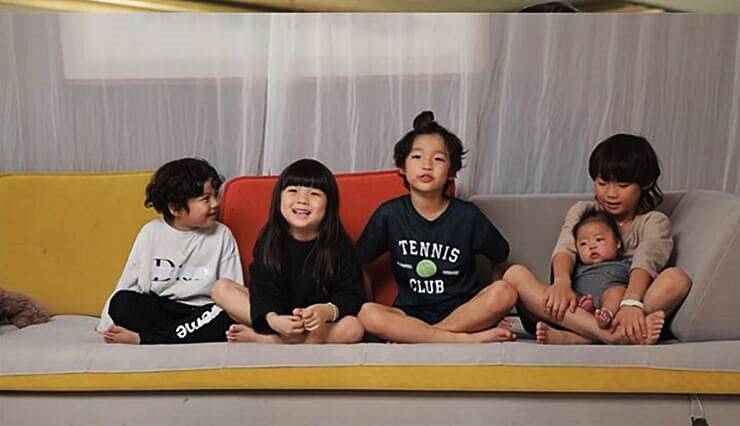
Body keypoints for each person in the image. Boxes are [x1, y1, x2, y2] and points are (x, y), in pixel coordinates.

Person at [503, 134, 692, 345]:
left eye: (622, 185)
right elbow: (565, 248)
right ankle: (611, 335)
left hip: (624, 306)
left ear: (645, 183)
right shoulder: (583, 211)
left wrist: (631, 303)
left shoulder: (653, 222)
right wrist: (561, 283)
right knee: (514, 274)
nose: (611, 193)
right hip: (572, 310)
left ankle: (586, 337)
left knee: (677, 279)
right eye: (602, 183)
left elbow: (646, 261)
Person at [356, 111, 517, 343]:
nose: (427, 165)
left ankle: (425, 336)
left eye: (439, 159)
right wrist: (368, 299)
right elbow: (360, 261)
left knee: (506, 291)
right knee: (367, 313)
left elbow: (501, 261)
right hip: (409, 315)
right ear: (402, 167)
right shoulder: (389, 214)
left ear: (451, 172)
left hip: (463, 313)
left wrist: (493, 312)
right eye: (417, 156)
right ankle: (459, 340)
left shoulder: (467, 216)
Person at [97, 158, 244, 344]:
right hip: (163, 309)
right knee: (121, 303)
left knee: (226, 316)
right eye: (205, 199)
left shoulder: (222, 234)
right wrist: (106, 323)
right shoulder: (151, 232)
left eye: (215, 195)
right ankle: (180, 334)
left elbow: (233, 291)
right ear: (175, 208)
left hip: (202, 312)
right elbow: (128, 282)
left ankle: (146, 338)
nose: (215, 203)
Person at [217, 158, 365, 344]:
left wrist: (326, 311)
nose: (302, 200)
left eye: (314, 194)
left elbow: (352, 294)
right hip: (279, 317)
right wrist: (273, 319)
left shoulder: (339, 245)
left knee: (353, 327)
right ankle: (289, 337)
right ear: (279, 198)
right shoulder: (270, 240)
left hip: (317, 324)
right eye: (293, 191)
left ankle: (275, 341)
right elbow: (262, 288)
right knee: (221, 289)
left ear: (329, 204)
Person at [570, 207, 631, 329]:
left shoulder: (625, 265)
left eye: (599, 239)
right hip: (582, 304)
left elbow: (639, 281)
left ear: (617, 243)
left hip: (611, 299)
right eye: (583, 243)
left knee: (617, 291)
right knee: (570, 297)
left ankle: (606, 313)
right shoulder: (576, 268)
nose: (591, 246)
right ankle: (590, 311)